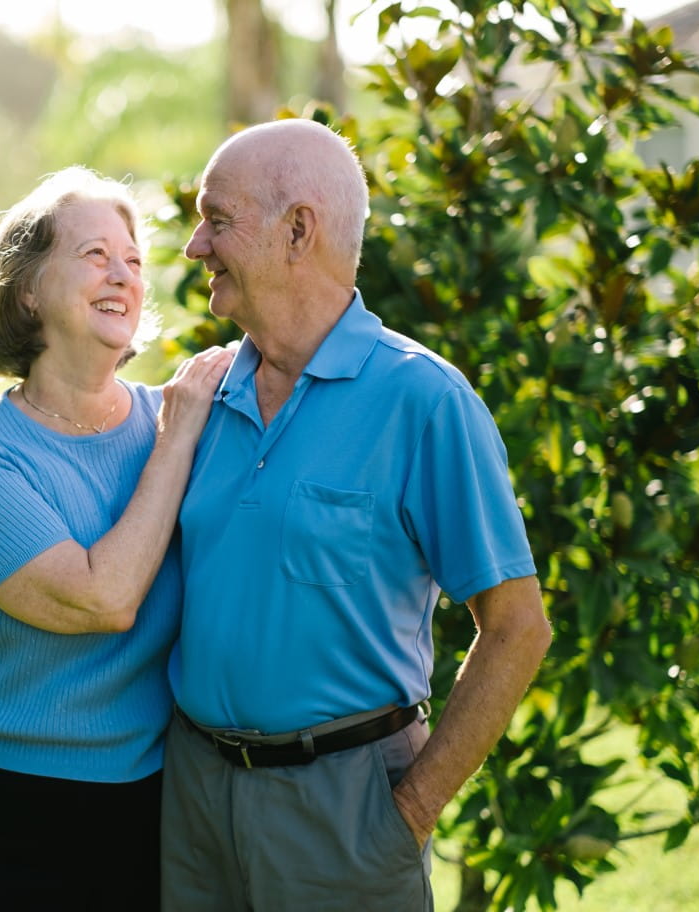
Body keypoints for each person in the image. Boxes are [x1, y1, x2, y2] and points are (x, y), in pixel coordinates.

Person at [160, 118, 554, 911]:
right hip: (192, 802)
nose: (195, 245)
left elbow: (517, 626)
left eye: (218, 219)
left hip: (343, 815)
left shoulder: (424, 401)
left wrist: (407, 814)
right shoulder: (197, 395)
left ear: (298, 230)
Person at [0, 166, 233, 911]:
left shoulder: (188, 420)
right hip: (8, 806)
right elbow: (104, 599)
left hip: (155, 797)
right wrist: (176, 439)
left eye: (132, 261)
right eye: (95, 255)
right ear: (26, 288)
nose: (122, 275)